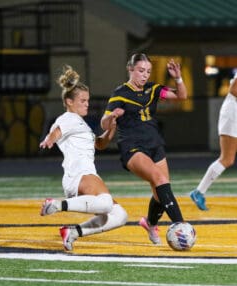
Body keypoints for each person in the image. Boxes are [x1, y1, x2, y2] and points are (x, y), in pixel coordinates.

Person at [101, 53, 187, 245]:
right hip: (132, 147)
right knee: (160, 180)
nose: (145, 75)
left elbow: (182, 96)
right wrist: (111, 116)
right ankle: (181, 225)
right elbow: (104, 123)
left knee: (160, 192)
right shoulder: (120, 93)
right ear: (130, 69)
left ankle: (150, 223)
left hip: (155, 144)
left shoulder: (153, 88)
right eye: (141, 71)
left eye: (148, 71)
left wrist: (178, 78)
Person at [40, 65, 127, 251]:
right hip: (79, 175)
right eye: (83, 100)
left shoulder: (82, 125)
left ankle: (72, 232)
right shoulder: (69, 118)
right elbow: (56, 131)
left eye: (88, 100)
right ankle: (56, 205)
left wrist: (111, 126)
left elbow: (100, 144)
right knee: (105, 203)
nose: (87, 103)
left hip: (84, 175)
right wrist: (49, 139)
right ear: (69, 102)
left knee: (120, 216)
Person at [190, 73, 237, 210]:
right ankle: (198, 192)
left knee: (227, 159)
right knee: (227, 159)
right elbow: (234, 90)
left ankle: (198, 192)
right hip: (233, 112)